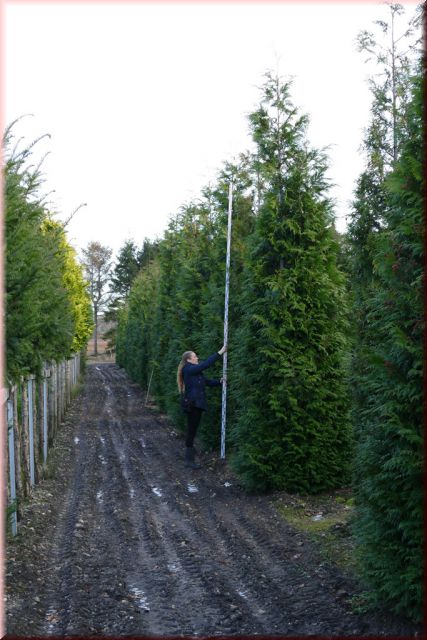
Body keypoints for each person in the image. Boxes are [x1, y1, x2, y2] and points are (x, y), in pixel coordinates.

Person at [177, 345, 227, 469]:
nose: (197, 357)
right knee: (191, 430)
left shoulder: (195, 371)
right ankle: (189, 460)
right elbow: (205, 365)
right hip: (193, 405)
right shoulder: (188, 369)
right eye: (194, 356)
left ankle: (189, 458)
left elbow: (207, 382)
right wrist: (220, 352)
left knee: (192, 430)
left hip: (197, 405)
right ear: (189, 360)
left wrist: (220, 382)